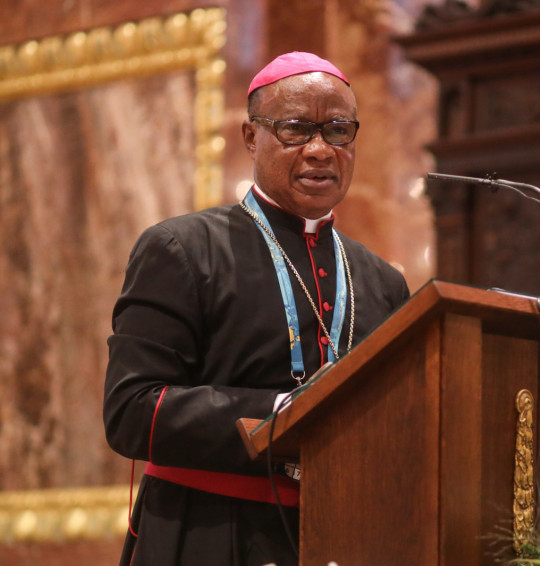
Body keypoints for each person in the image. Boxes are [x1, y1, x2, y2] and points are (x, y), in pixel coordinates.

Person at [103, 52, 410, 566]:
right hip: (208, 535)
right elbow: (131, 411)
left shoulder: (383, 282)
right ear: (251, 137)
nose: (320, 150)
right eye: (295, 129)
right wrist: (284, 412)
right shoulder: (183, 249)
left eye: (338, 131)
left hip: (342, 538)